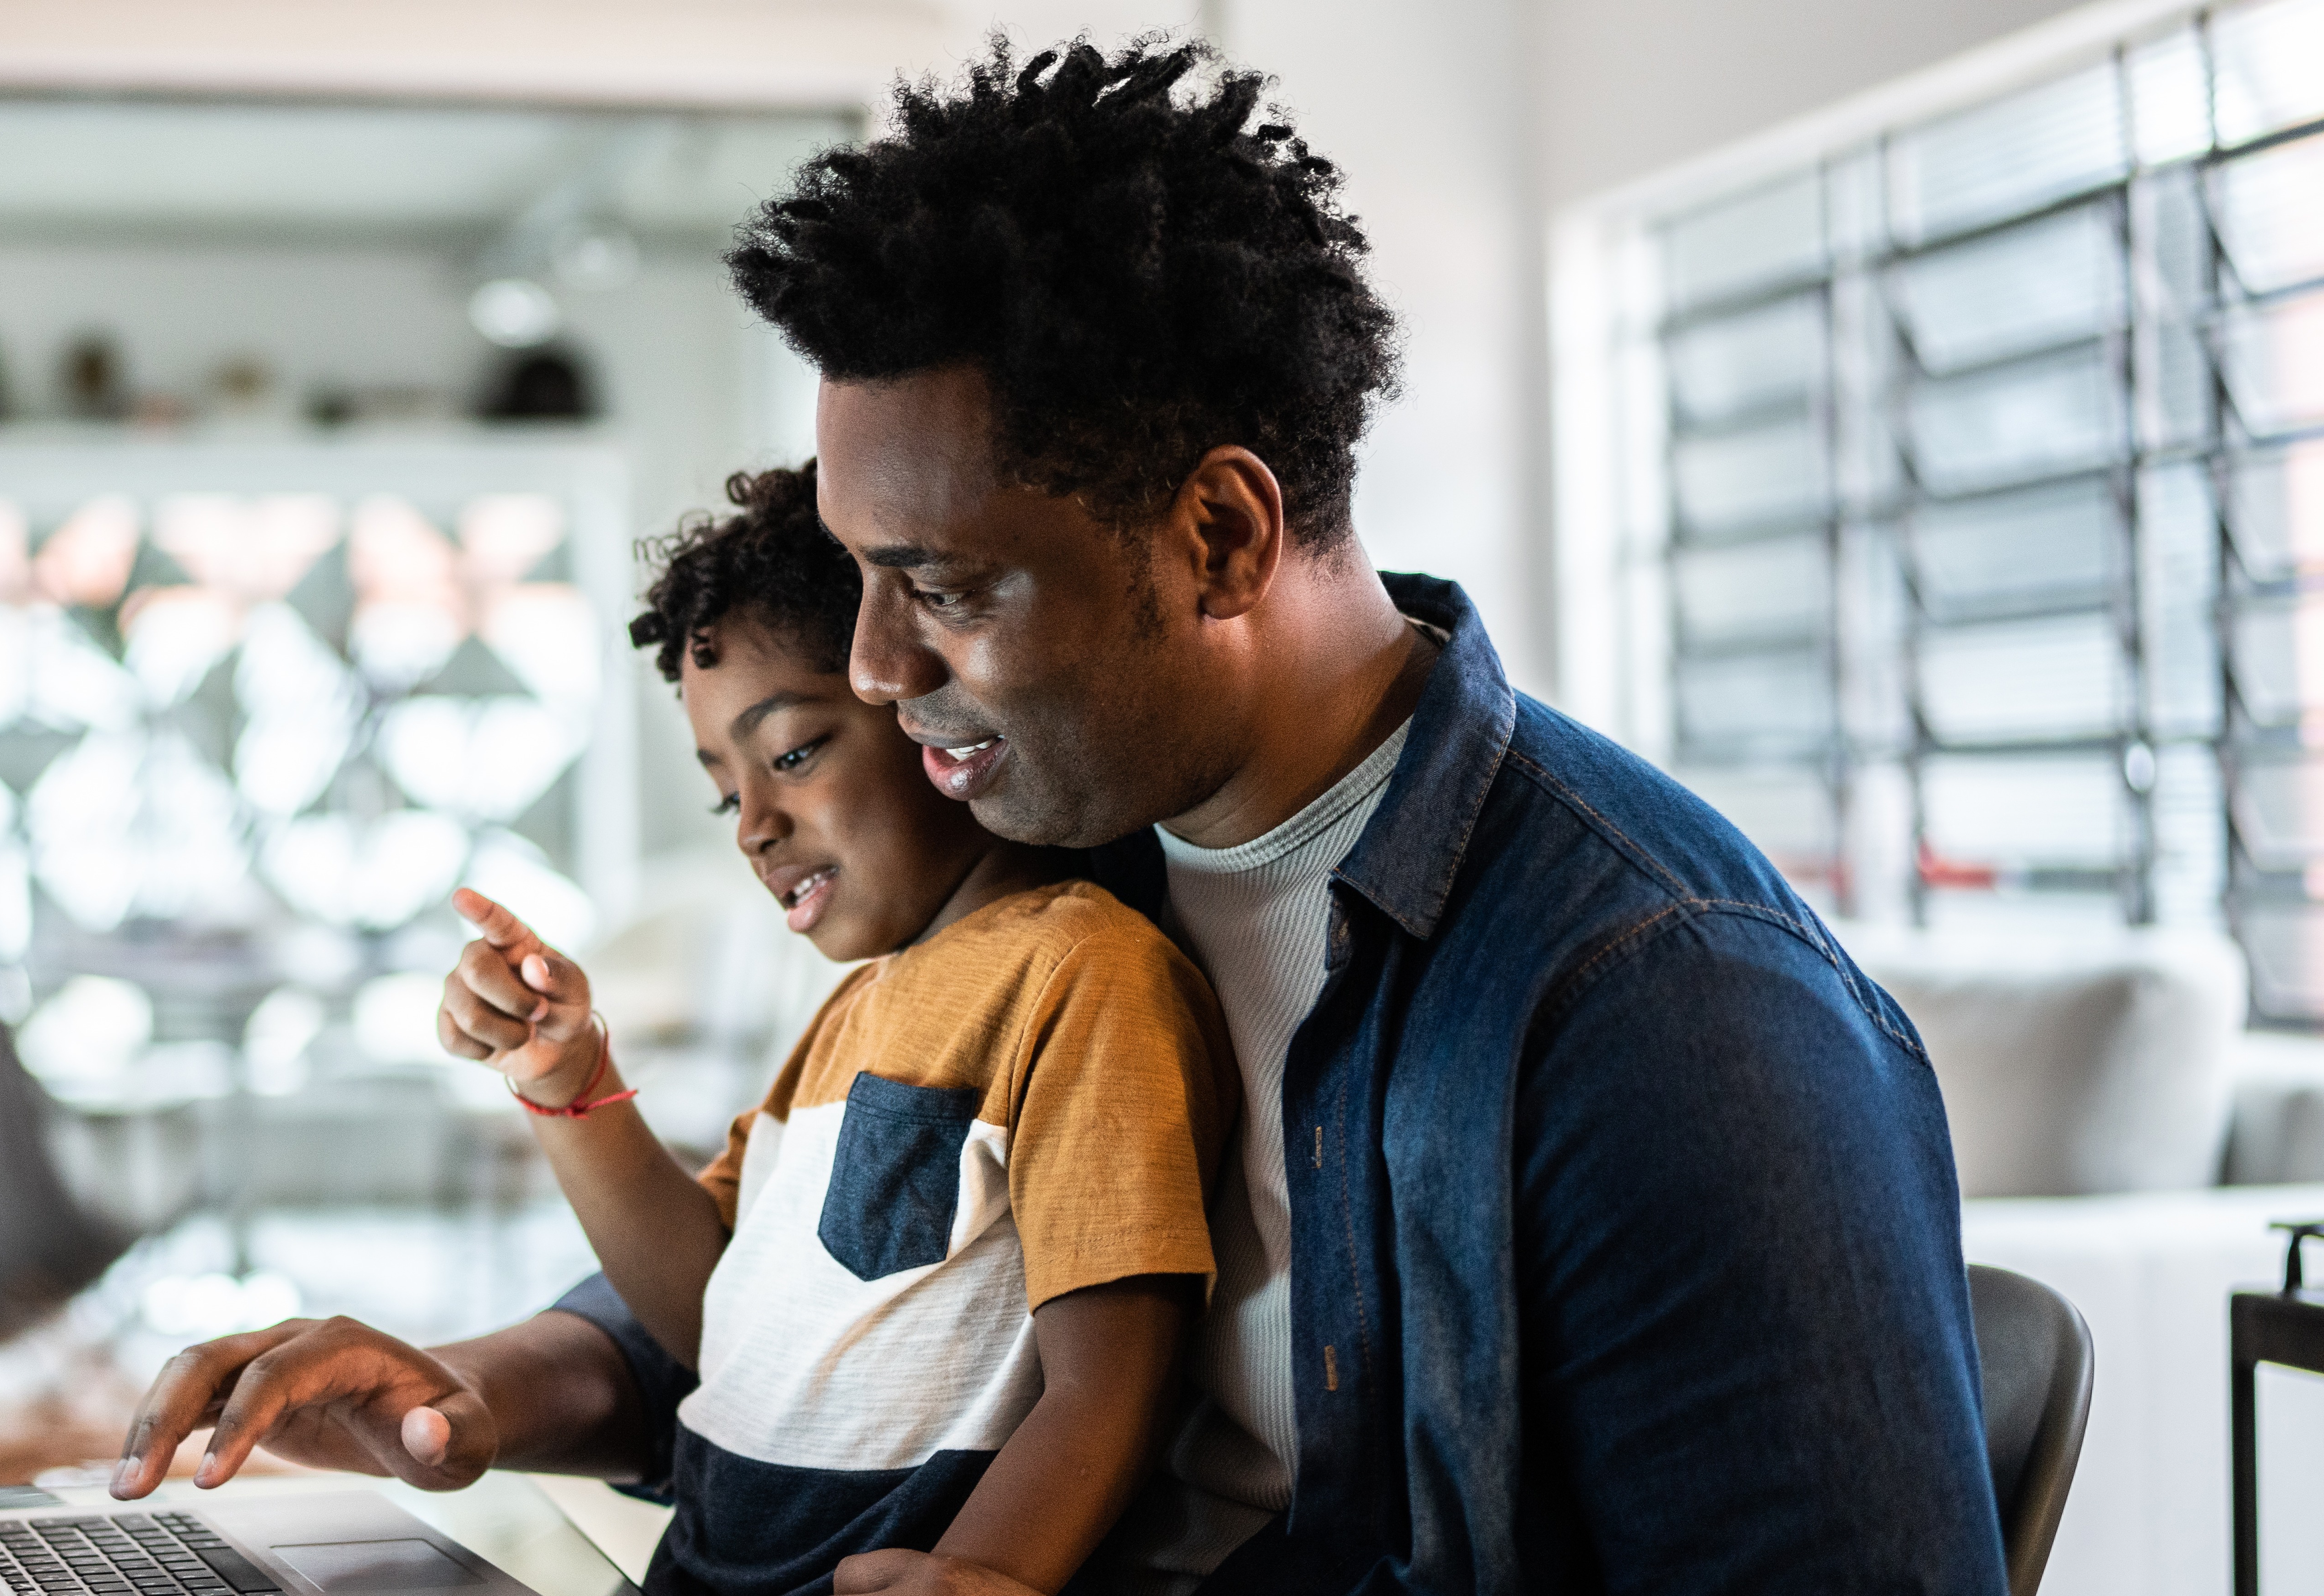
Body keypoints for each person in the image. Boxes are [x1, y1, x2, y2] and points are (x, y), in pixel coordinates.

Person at [112, 33, 2005, 1596]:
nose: (866, 669)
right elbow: (799, 1302)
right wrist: (471, 1386)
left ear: (1220, 536)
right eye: (857, 577)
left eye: (941, 586)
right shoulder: (1046, 850)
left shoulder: (1661, 1009)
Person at [420, 465, 1233, 1596]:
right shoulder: (851, 1010)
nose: (754, 827)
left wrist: (987, 1571)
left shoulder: (1083, 972)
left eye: (794, 753)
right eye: (724, 791)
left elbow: (1113, 1378)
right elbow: (714, 1322)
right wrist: (568, 1082)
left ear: (927, 710)